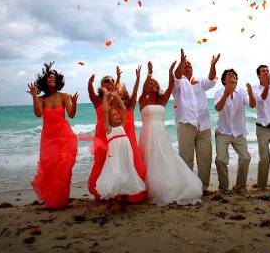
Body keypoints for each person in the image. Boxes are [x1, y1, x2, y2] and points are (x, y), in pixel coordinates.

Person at [139, 61, 203, 205]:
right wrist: (149, 73)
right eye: (151, 84)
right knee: (149, 160)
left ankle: (167, 186)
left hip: (160, 134)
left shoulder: (162, 101)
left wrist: (170, 72)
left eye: (156, 85)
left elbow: (169, 88)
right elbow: (143, 89)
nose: (154, 86)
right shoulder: (143, 100)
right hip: (147, 134)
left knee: (164, 159)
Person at [86, 68, 146, 202]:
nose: (108, 83)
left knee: (123, 165)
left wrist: (122, 80)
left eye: (111, 82)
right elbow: (91, 95)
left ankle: (125, 194)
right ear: (102, 85)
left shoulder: (116, 101)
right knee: (102, 164)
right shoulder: (98, 100)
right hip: (104, 135)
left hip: (120, 137)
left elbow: (127, 96)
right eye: (106, 81)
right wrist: (90, 84)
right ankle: (102, 192)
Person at [27, 62, 78, 209]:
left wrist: (74, 103)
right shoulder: (42, 99)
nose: (52, 79)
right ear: (45, 81)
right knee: (51, 169)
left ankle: (62, 199)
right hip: (49, 138)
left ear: (58, 81)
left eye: (54, 77)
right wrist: (34, 96)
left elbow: (72, 115)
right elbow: (37, 114)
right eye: (49, 77)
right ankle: (53, 200)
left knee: (65, 166)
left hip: (64, 135)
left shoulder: (64, 96)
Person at [172, 49, 220, 191]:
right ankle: (188, 187)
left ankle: (203, 187)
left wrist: (212, 64)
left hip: (204, 125)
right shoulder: (178, 83)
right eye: (185, 65)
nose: (188, 66)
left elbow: (211, 79)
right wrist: (181, 62)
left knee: (205, 157)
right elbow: (176, 75)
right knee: (186, 158)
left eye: (189, 65)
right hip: (186, 124)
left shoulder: (200, 82)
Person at [213, 68, 256, 193]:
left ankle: (240, 187)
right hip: (223, 132)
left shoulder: (242, 93)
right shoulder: (219, 93)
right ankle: (223, 188)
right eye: (228, 75)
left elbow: (252, 105)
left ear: (236, 80)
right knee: (220, 160)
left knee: (245, 158)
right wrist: (226, 94)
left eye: (234, 75)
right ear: (224, 80)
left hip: (238, 132)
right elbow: (217, 107)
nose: (231, 76)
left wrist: (251, 93)